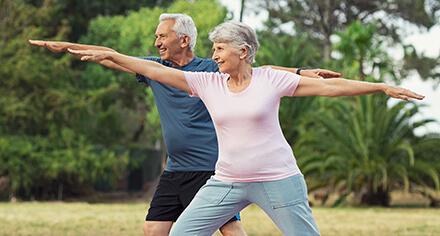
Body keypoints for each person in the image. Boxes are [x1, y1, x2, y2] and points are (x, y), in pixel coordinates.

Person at [29, 14, 342, 236]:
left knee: (230, 229)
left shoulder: (210, 70)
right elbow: (113, 57)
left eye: (162, 36)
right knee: (154, 229)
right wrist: (66, 46)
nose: (157, 42)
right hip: (175, 168)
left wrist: (302, 71)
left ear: (184, 39)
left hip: (209, 167)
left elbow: (261, 70)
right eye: (156, 37)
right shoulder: (157, 69)